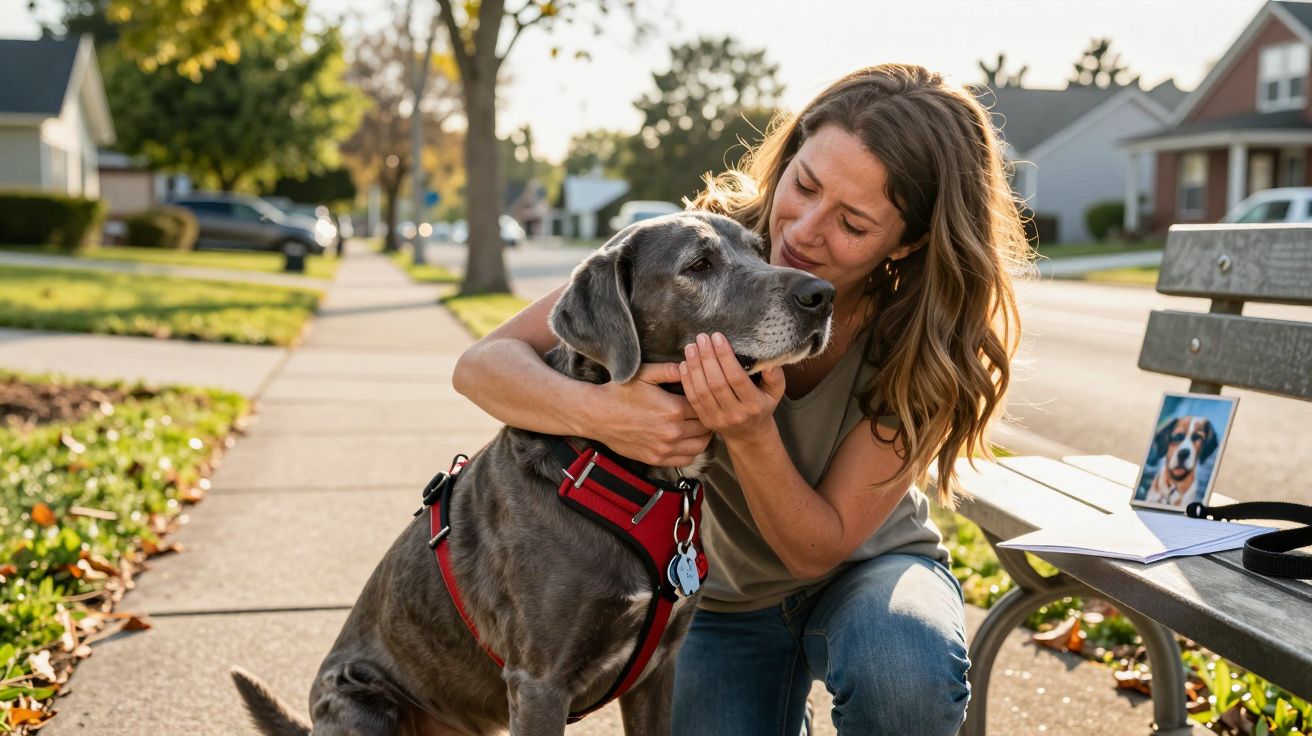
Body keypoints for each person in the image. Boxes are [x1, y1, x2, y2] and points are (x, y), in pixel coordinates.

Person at [452, 63, 1028, 735]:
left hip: (866, 575)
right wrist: (611, 413)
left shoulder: (922, 343)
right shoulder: (705, 248)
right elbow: (482, 366)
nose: (805, 231)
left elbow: (817, 550)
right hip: (717, 603)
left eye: (852, 221)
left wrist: (753, 432)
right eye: (804, 185)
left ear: (909, 239)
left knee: (903, 674)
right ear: (788, 157)